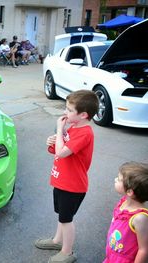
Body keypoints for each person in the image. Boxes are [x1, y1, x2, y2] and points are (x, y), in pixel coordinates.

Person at [35, 90, 99, 263]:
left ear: (83, 114)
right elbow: (58, 150)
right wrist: (52, 142)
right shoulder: (73, 127)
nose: (65, 112)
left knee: (66, 219)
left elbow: (62, 152)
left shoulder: (85, 133)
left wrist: (59, 128)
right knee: (61, 216)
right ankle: (57, 241)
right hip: (62, 181)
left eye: (69, 110)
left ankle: (67, 252)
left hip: (73, 185)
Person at [103, 161, 148, 263]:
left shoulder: (140, 218)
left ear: (130, 192)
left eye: (118, 179)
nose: (115, 179)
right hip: (112, 254)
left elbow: (144, 249)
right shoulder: (123, 202)